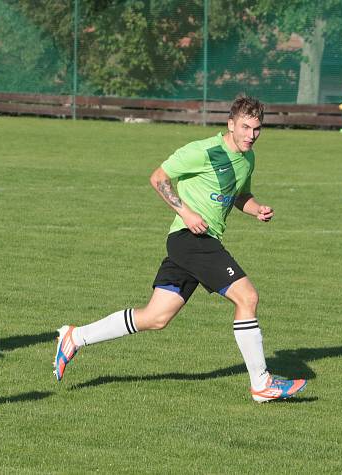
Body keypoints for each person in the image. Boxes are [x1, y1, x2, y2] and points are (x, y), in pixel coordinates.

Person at [53, 96, 307, 402]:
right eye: (245, 127)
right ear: (230, 124)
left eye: (256, 129)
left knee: (156, 317)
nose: (251, 135)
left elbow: (239, 195)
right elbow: (158, 177)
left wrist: (255, 209)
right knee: (247, 297)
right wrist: (186, 212)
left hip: (194, 244)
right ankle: (262, 383)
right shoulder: (203, 151)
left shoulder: (248, 158)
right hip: (191, 239)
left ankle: (75, 337)